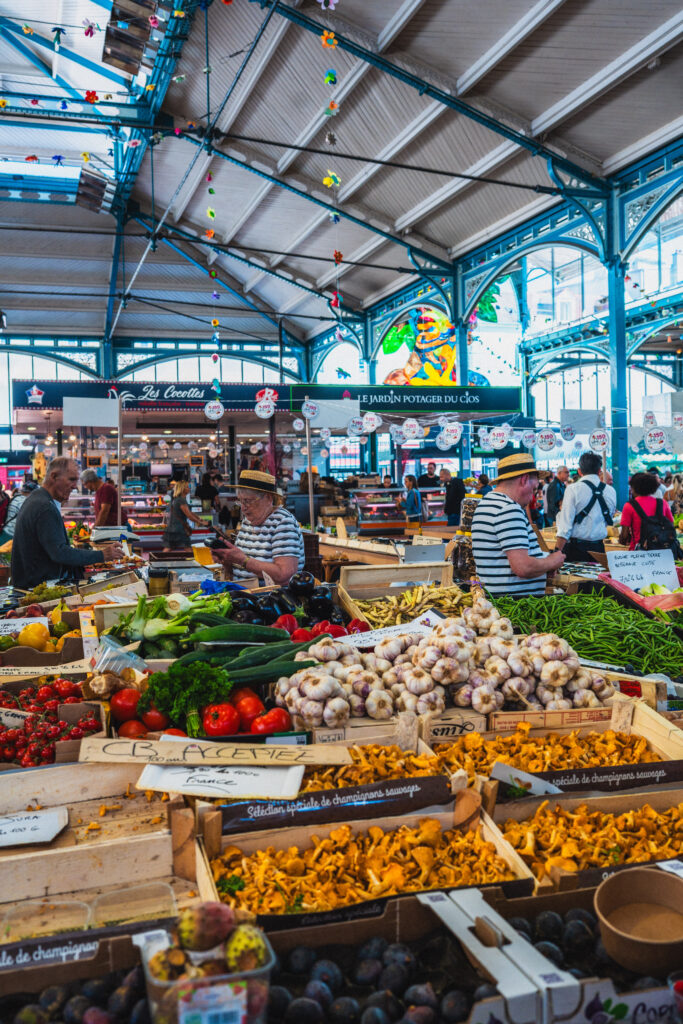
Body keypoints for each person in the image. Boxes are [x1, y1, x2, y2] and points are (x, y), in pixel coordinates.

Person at [11, 457, 123, 589]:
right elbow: (60, 553)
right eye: (71, 479)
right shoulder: (44, 507)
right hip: (37, 588)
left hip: (32, 583)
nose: (75, 485)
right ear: (54, 476)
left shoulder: (38, 499)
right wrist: (102, 555)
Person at [471, 453, 565, 595]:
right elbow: (522, 567)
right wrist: (552, 561)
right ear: (524, 479)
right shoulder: (508, 508)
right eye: (533, 488)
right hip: (514, 605)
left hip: (497, 600)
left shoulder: (486, 503)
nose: (533, 495)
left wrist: (541, 566)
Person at [212, 470, 304, 585]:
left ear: (268, 498)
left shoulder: (283, 523)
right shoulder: (248, 521)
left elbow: (284, 575)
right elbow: (240, 568)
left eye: (247, 501)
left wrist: (243, 560)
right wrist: (227, 559)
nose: (243, 508)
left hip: (270, 599)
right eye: (240, 501)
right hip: (244, 596)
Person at [555, 452, 617, 563]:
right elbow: (608, 518)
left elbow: (565, 527)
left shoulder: (572, 489)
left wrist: (556, 552)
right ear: (599, 471)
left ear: (579, 471)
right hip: (599, 549)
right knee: (597, 579)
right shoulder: (611, 491)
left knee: (576, 579)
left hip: (576, 549)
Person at [619, 472, 679, 553]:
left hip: (639, 552)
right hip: (662, 551)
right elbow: (671, 525)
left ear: (634, 488)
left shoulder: (629, 506)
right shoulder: (662, 503)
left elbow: (624, 536)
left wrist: (623, 539)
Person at [163, 480, 206, 550]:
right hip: (178, 528)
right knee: (185, 548)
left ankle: (157, 559)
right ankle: (157, 559)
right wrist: (200, 522)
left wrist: (199, 519)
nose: (189, 488)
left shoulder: (178, 499)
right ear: (182, 489)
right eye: (187, 487)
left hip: (175, 527)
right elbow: (189, 515)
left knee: (171, 547)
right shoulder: (181, 500)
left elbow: (190, 513)